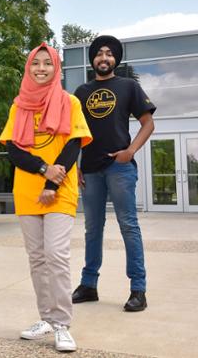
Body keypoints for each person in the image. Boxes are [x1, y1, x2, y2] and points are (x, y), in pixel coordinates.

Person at [0, 43, 92, 353]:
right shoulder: (19, 106)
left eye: (47, 63)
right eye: (35, 63)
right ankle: (47, 319)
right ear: (29, 68)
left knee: (56, 255)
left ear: (57, 68)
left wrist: (53, 182)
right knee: (37, 259)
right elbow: (13, 149)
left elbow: (73, 145)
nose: (41, 68)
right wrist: (42, 169)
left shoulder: (70, 102)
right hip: (27, 190)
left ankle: (63, 324)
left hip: (61, 190)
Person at [72, 35, 155, 312]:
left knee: (128, 226)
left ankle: (138, 289)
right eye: (99, 54)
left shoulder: (129, 86)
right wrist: (76, 166)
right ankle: (88, 285)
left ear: (115, 60)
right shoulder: (81, 92)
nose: (104, 58)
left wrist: (130, 151)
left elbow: (147, 123)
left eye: (109, 54)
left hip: (119, 167)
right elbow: (74, 136)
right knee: (92, 229)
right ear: (93, 60)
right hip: (90, 171)